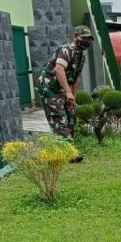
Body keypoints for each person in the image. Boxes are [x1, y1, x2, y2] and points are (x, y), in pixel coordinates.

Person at [36, 26, 94, 158]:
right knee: (58, 117)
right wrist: (67, 92)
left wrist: (72, 97)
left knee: (71, 116)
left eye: (89, 39)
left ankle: (67, 148)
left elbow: (76, 77)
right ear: (75, 37)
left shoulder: (81, 56)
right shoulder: (66, 50)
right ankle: (69, 153)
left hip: (62, 89)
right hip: (49, 87)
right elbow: (59, 69)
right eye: (83, 38)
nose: (86, 41)